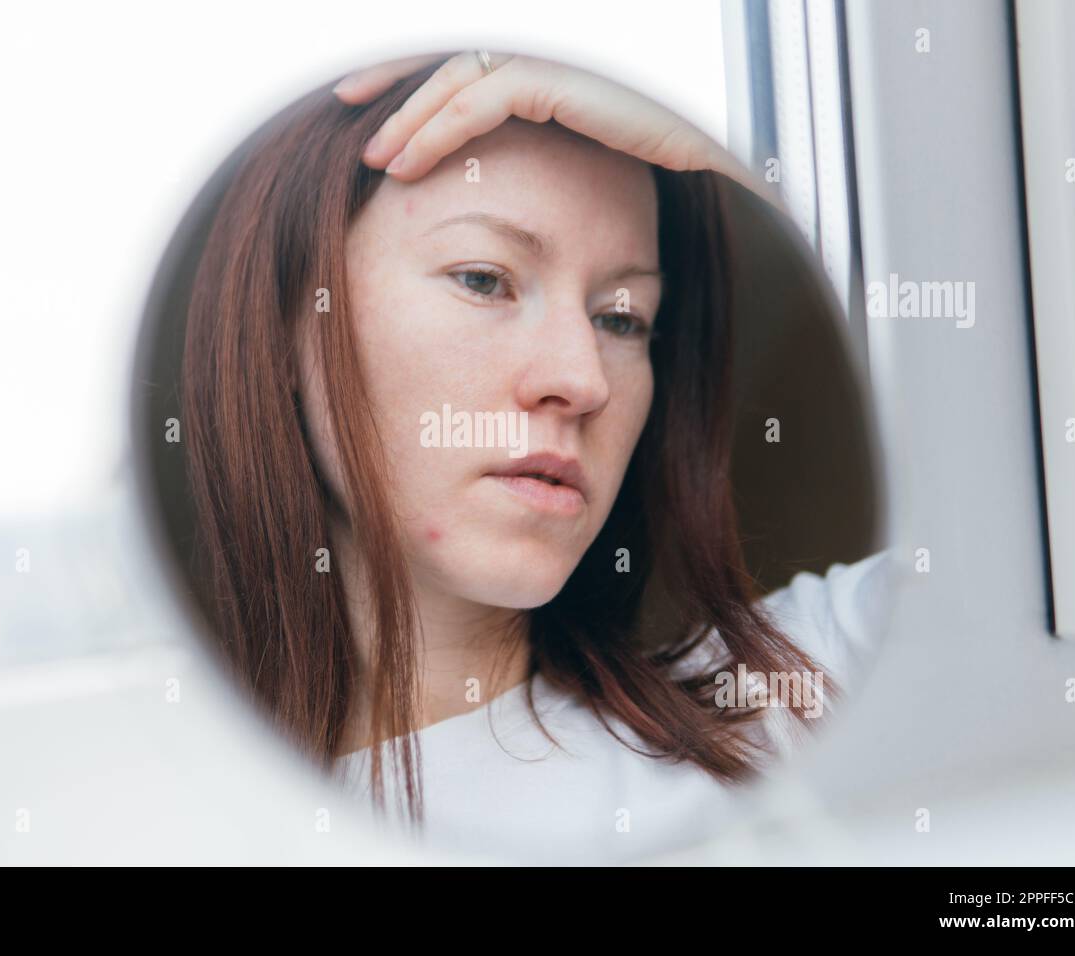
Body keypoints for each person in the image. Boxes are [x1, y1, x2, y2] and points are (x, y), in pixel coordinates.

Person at [180, 51, 892, 860]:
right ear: (282, 329)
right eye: (485, 280)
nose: (582, 379)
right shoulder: (160, 820)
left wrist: (710, 150)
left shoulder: (787, 695)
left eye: (623, 319)